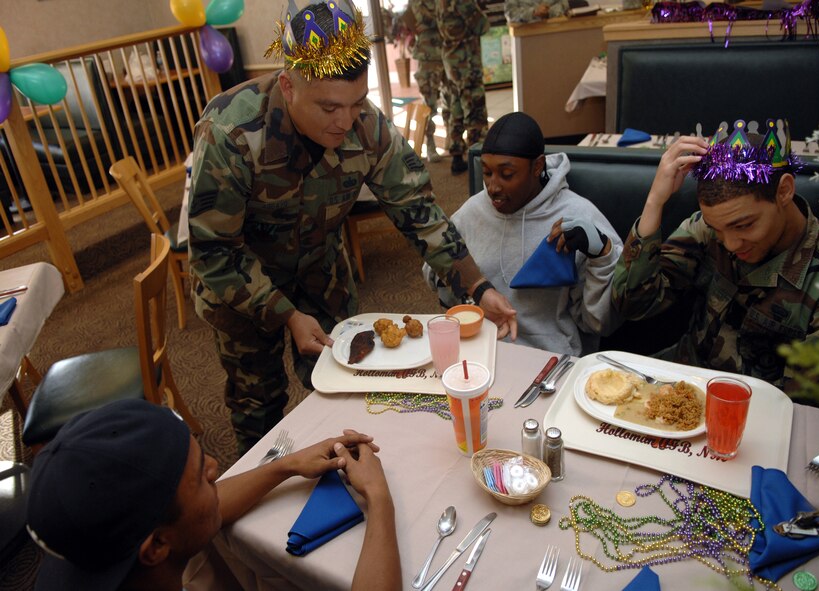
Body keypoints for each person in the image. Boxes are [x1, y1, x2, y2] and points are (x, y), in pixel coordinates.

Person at [188, 0, 517, 454]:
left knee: (350, 386)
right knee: (257, 405)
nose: (345, 121)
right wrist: (286, 314)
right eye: (328, 107)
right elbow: (213, 254)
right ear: (287, 85)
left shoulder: (366, 125)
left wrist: (477, 287)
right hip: (240, 289)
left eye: (356, 103)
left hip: (320, 268)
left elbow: (419, 212)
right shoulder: (231, 133)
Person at [25, 399, 401, 591]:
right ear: (155, 547)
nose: (216, 468)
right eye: (200, 479)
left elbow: (191, 508)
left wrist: (285, 465)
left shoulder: (92, 545)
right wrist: (379, 499)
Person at [612, 119, 819, 389]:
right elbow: (633, 304)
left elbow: (802, 405)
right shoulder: (707, 228)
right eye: (718, 229)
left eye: (744, 225)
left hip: (757, 408)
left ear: (784, 191)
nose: (731, 244)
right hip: (679, 377)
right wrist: (656, 200)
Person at [423, 112, 622, 355]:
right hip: (478, 353)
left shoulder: (578, 216)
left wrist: (601, 256)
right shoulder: (472, 212)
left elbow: (599, 322)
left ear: (537, 166)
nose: (493, 187)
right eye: (487, 173)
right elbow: (437, 279)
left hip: (550, 359)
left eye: (507, 175)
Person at [435, 0, 490, 174]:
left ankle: (457, 157)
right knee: (475, 111)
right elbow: (483, 26)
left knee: (456, 110)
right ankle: (477, 159)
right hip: (466, 63)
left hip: (450, 63)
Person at [411, 0, 449, 163]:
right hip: (428, 55)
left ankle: (452, 138)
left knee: (452, 98)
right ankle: (430, 144)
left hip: (451, 51)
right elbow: (426, 18)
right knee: (430, 103)